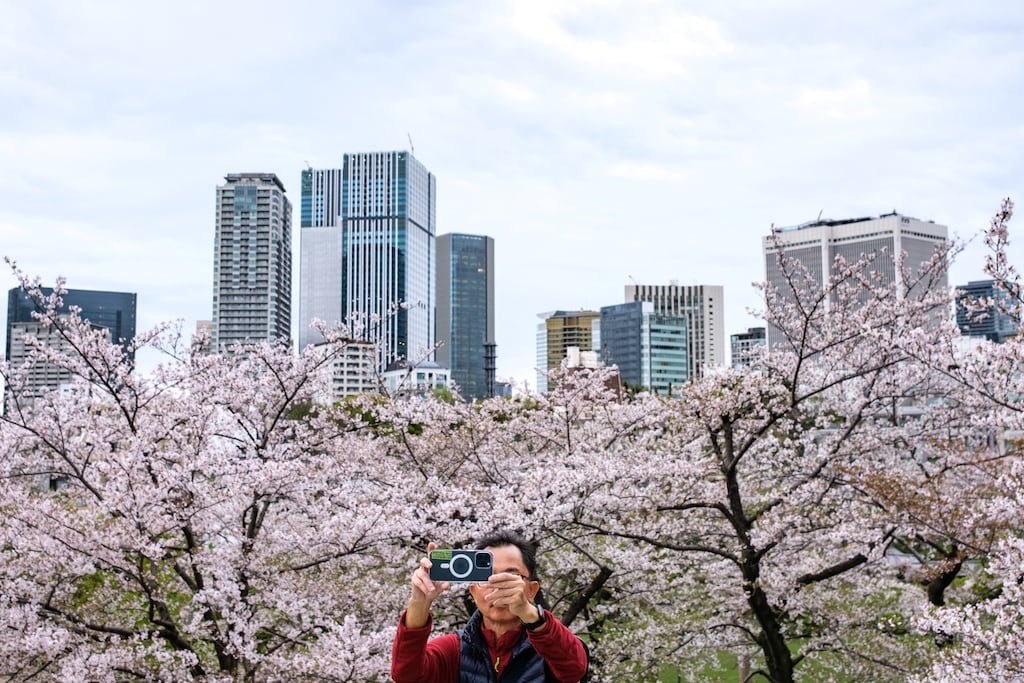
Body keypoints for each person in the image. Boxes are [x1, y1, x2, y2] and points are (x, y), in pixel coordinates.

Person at [391, 530, 590, 682]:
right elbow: (406, 675)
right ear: (473, 591)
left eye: (511, 576)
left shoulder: (553, 645)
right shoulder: (454, 650)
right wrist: (419, 602)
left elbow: (575, 669)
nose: (497, 585)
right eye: (487, 576)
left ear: (531, 590)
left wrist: (531, 616)